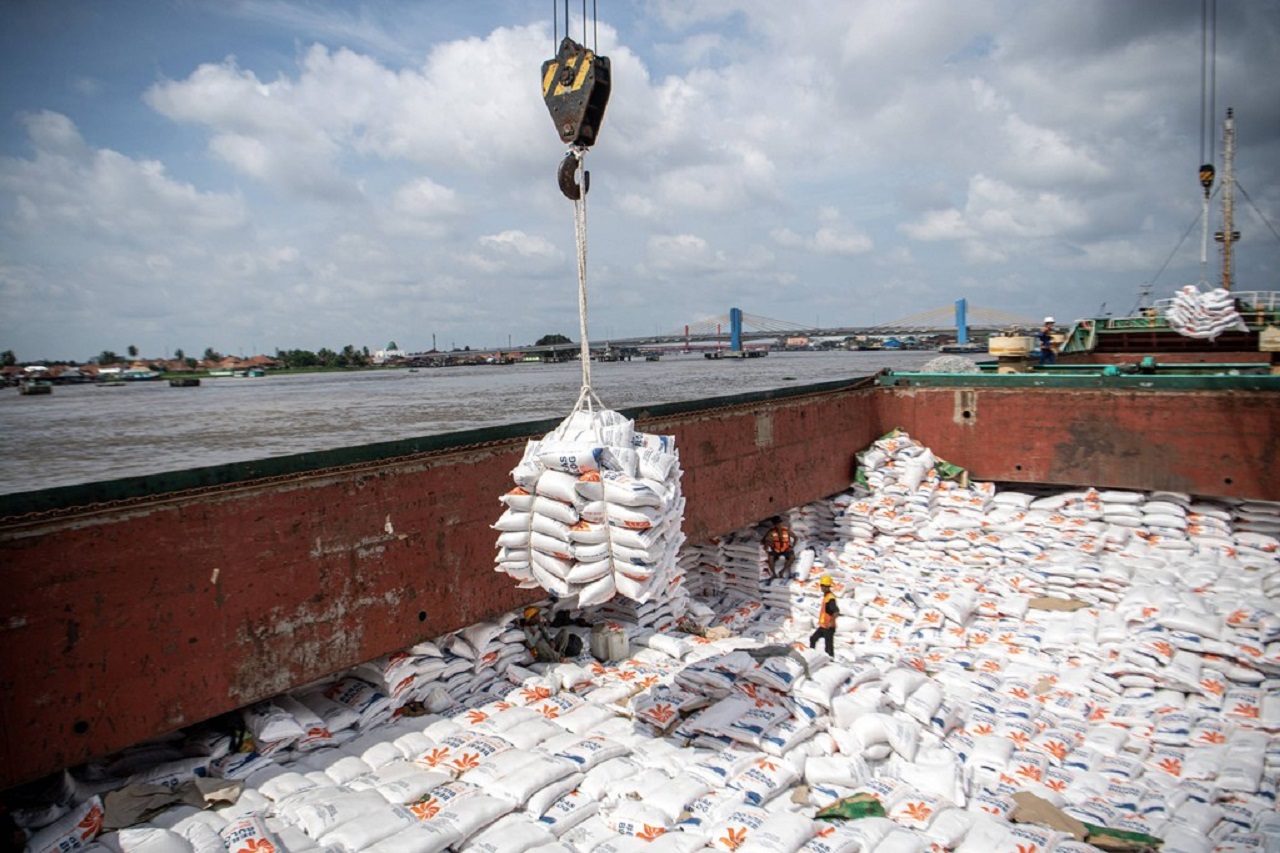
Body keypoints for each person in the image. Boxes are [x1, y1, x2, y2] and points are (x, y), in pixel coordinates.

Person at [809, 575, 839, 657]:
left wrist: (830, 622)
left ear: (825, 586)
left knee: (828, 647)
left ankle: (831, 660)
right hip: (823, 626)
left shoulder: (830, 598)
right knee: (813, 638)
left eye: (822, 586)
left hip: (829, 627)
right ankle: (811, 656)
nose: (821, 588)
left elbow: (836, 612)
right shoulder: (826, 596)